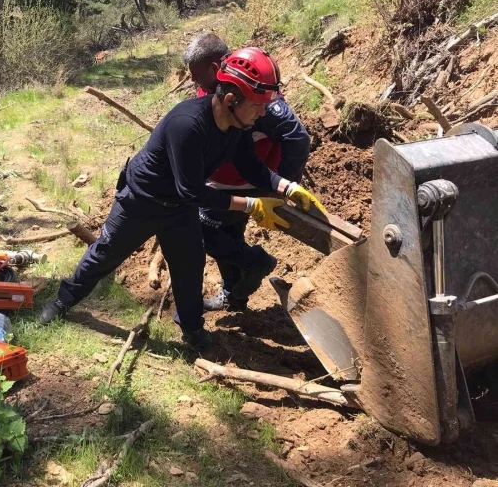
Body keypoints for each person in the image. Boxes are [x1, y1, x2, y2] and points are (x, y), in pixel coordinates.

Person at [39, 48, 324, 349]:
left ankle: (192, 330)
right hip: (141, 200)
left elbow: (250, 166)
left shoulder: (237, 127)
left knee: (189, 268)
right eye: (257, 105)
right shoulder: (187, 124)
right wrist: (252, 205)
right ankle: (62, 301)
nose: (263, 113)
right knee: (105, 254)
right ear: (230, 99)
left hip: (179, 208)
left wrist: (287, 187)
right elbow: (193, 191)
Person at [183, 34, 312, 312]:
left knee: (205, 233)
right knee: (226, 235)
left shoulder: (253, 96)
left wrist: (281, 186)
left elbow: (297, 138)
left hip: (242, 183)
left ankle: (255, 266)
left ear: (216, 66)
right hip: (220, 180)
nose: (193, 80)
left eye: (197, 73)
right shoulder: (217, 88)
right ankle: (235, 295)